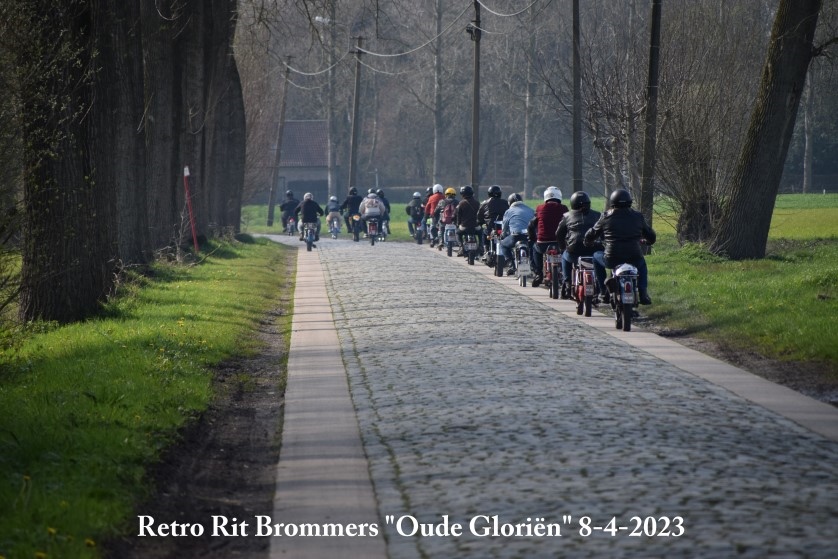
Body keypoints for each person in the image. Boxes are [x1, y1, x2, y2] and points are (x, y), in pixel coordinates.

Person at [583, 188, 656, 305]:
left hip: (612, 258)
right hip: (634, 256)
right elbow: (650, 235)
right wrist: (648, 241)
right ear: (629, 202)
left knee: (596, 256)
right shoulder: (638, 216)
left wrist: (588, 241)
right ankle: (643, 294)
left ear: (612, 202)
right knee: (642, 264)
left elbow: (593, 232)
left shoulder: (605, 217)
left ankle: (603, 291)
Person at [555, 191, 603, 298]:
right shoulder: (597, 215)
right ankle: (601, 288)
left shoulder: (567, 216)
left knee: (564, 257)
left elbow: (559, 233)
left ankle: (567, 283)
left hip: (574, 251)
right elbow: (603, 232)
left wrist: (562, 247)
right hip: (594, 250)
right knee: (599, 263)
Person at [528, 186, 569, 287]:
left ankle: (539, 273)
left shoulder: (539, 208)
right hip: (559, 243)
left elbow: (531, 225)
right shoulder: (564, 208)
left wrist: (533, 238)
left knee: (535, 249)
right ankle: (566, 275)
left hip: (543, 243)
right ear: (559, 196)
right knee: (566, 254)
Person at [500, 193, 535, 273]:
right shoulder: (530, 210)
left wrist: (504, 235)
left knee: (503, 245)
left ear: (509, 202)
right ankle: (533, 265)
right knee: (533, 248)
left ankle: (511, 265)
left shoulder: (508, 211)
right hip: (529, 236)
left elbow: (505, 227)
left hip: (515, 236)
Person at [476, 185, 509, 255]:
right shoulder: (505, 202)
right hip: (503, 227)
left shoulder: (484, 203)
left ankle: (485, 249)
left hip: (490, 227)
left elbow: (479, 216)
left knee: (484, 233)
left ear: (489, 193)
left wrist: (480, 223)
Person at [455, 185, 480, 256]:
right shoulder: (477, 203)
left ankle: (461, 247)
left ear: (462, 194)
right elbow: (480, 214)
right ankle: (481, 247)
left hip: (464, 226)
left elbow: (458, 215)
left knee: (458, 233)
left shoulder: (461, 203)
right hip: (475, 226)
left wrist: (458, 224)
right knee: (481, 233)